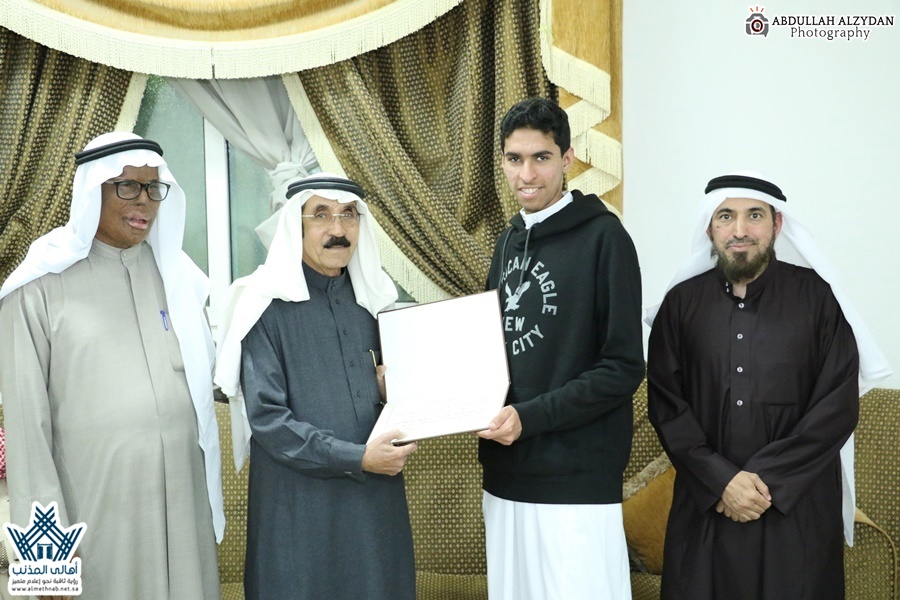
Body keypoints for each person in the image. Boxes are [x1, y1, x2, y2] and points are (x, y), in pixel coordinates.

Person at [646, 173, 892, 600]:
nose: (740, 230)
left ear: (777, 224)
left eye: (754, 216)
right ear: (710, 228)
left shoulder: (819, 300)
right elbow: (667, 406)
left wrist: (764, 484)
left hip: (795, 513)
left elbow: (836, 408)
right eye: (726, 216)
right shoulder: (681, 305)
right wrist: (723, 481)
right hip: (708, 507)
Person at [0, 132, 224, 599]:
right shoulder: (37, 287)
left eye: (153, 187)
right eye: (127, 186)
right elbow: (27, 432)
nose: (143, 200)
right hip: (97, 512)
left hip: (183, 503)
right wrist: (43, 558)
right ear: (92, 190)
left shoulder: (179, 278)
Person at [214, 173, 416, 600]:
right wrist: (358, 458)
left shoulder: (373, 303)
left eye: (348, 215)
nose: (337, 229)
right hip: (299, 505)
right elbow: (269, 421)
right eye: (321, 215)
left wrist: (388, 393)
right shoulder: (263, 307)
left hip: (373, 504)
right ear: (295, 224)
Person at [477, 97, 645, 599]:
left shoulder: (605, 239)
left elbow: (622, 368)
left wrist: (530, 417)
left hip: (577, 480)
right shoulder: (506, 242)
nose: (526, 174)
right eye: (514, 159)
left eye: (541, 158)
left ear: (568, 159)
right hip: (505, 474)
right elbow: (485, 352)